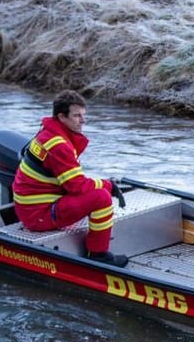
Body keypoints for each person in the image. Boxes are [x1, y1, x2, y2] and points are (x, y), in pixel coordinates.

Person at [11, 90, 128, 267]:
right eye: (77, 115)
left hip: (31, 207)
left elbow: (70, 180)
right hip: (39, 214)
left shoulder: (47, 133)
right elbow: (76, 186)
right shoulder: (59, 145)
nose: (83, 120)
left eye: (83, 115)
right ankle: (98, 255)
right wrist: (108, 185)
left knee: (96, 191)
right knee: (101, 198)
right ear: (61, 117)